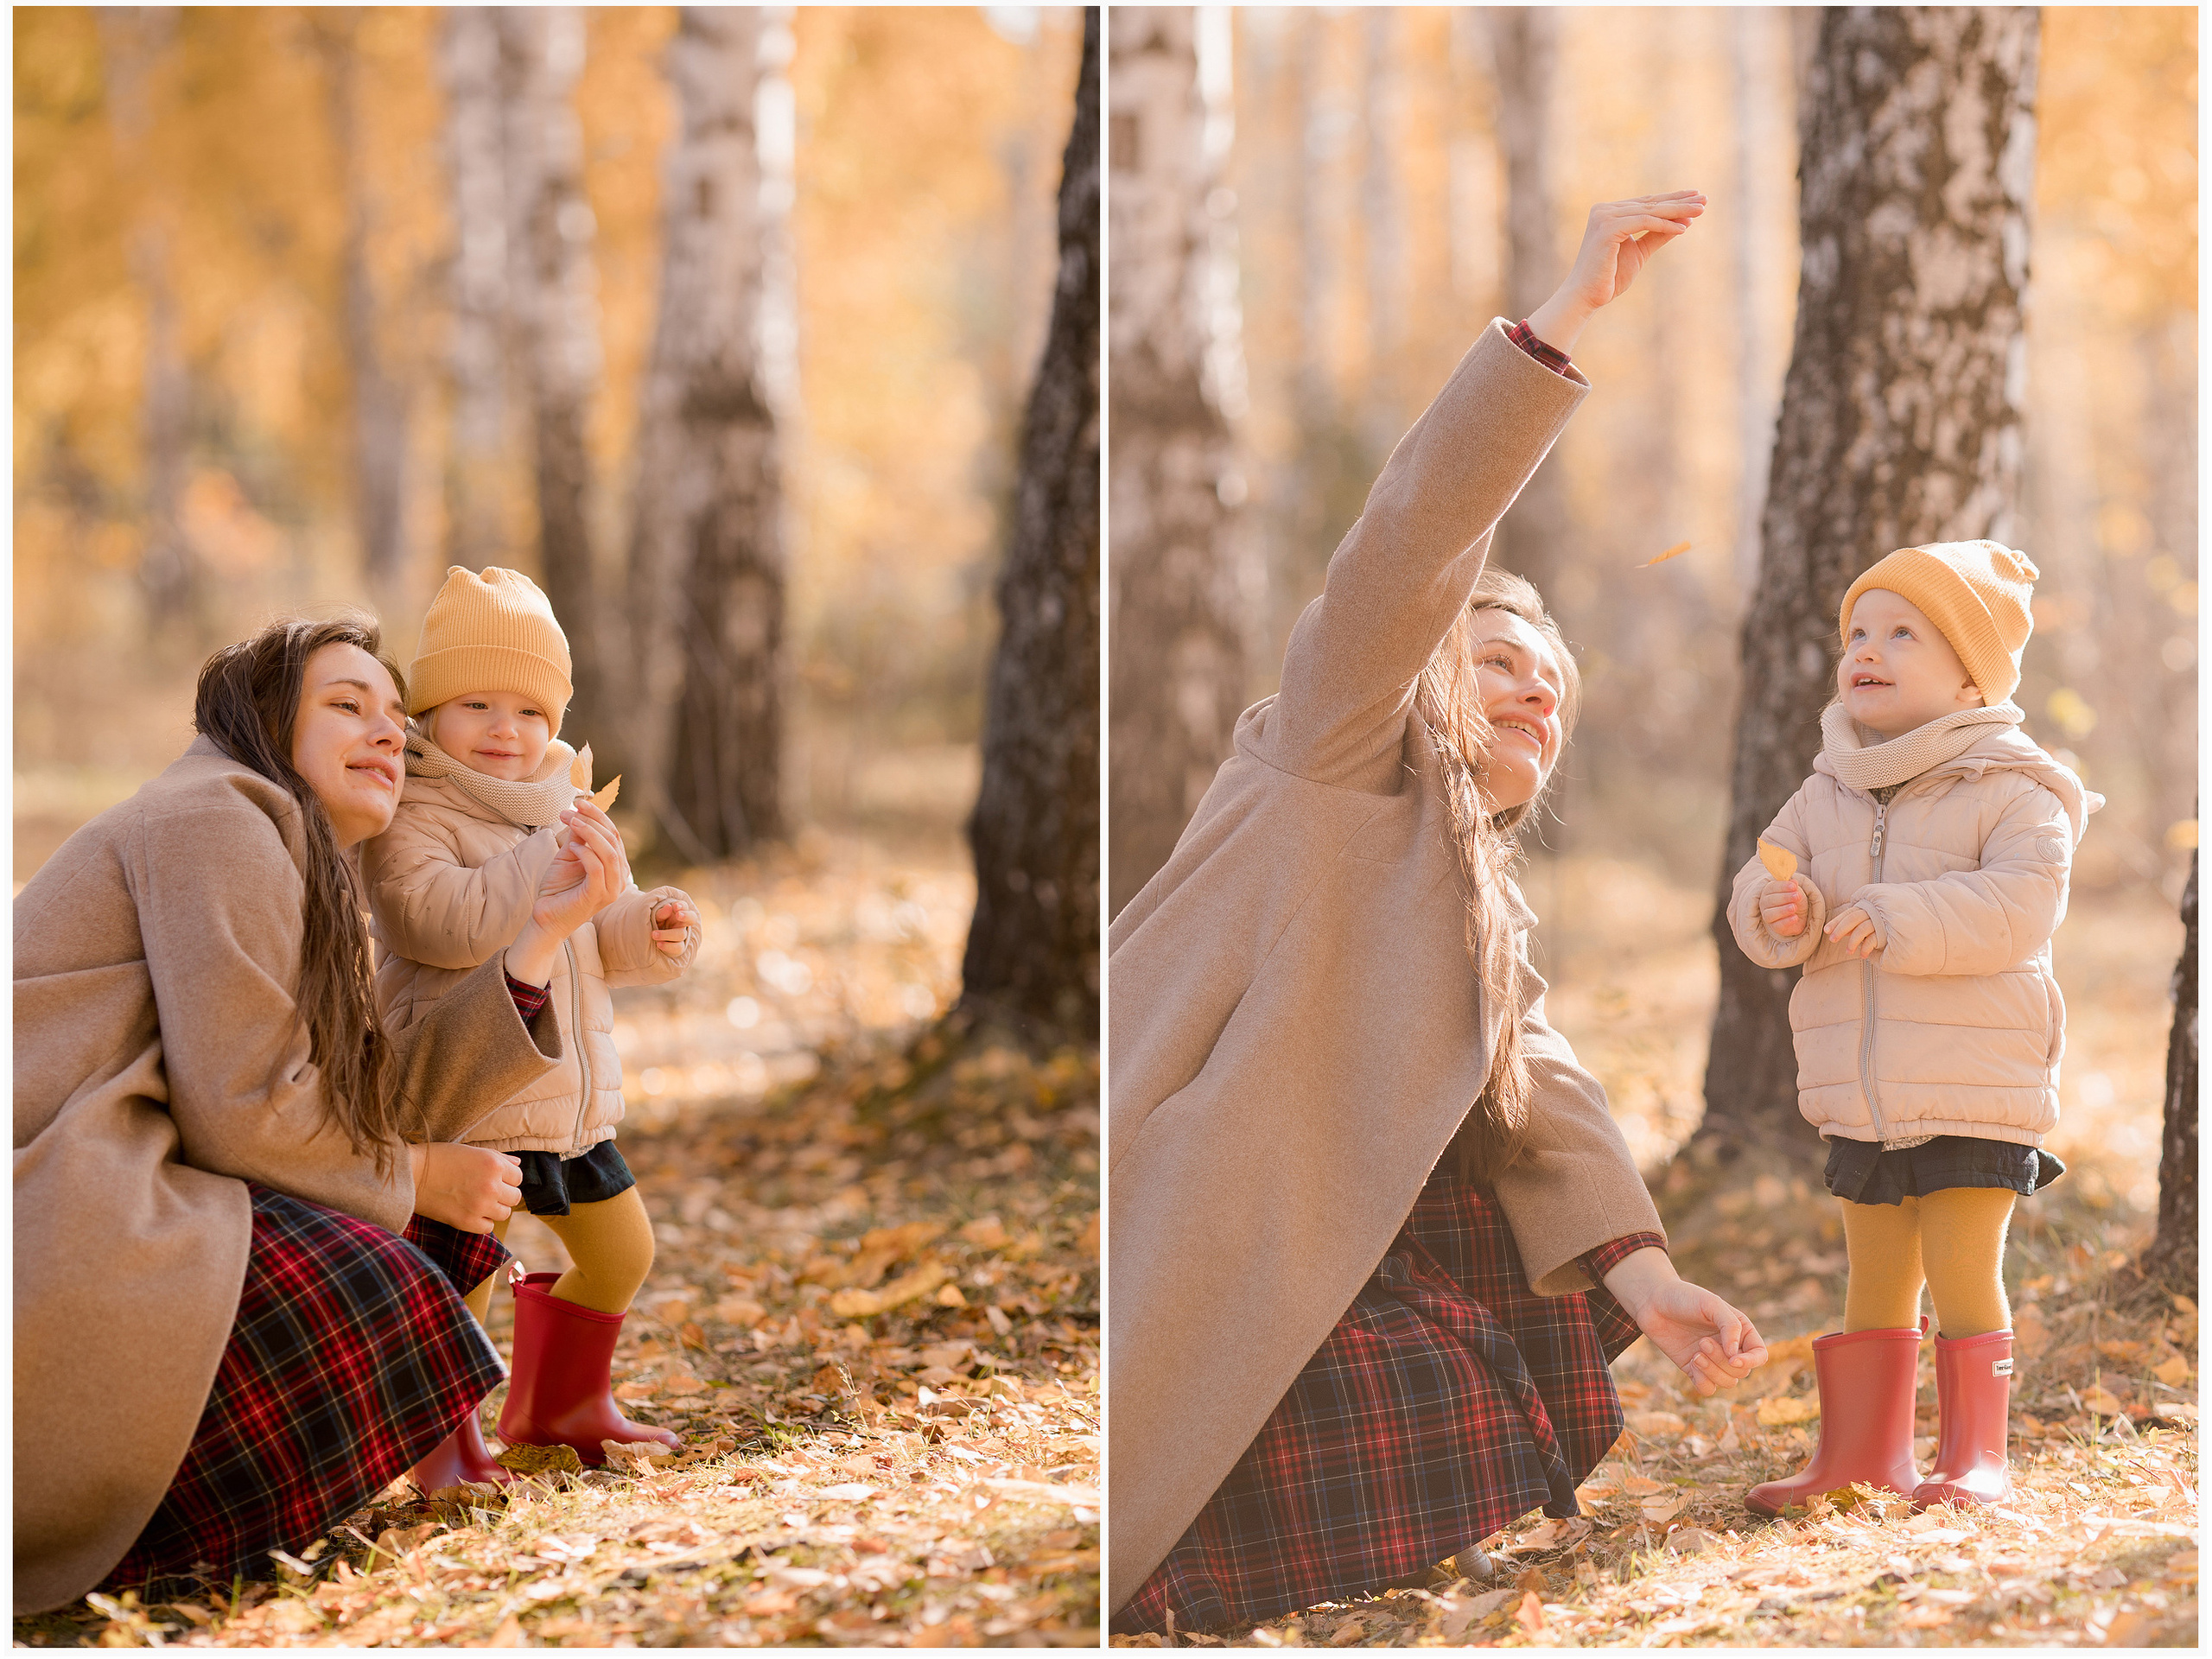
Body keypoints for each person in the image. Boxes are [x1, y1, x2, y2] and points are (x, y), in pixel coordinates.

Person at [1107, 194, 1766, 1634]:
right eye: (1504, 660)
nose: (1539, 691)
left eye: (1558, 688)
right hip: (1205, 1203)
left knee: (1479, 1364)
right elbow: (1409, 545)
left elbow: (1546, 1095)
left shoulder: (1467, 874)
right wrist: (1559, 326)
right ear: (1421, 674)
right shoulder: (1332, 743)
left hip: (1328, 1220)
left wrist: (1652, 1284)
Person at [14, 614, 629, 1614]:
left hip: (116, 1184)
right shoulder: (215, 812)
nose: (389, 732)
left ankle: (199, 1508)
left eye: (395, 715)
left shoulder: (305, 862)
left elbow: (369, 1110)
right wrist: (415, 1176)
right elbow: (245, 1110)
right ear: (263, 723)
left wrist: (538, 936)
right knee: (380, 1272)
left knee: (421, 1238)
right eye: (346, 707)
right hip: (54, 1201)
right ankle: (149, 1522)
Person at [1728, 542, 2095, 1514]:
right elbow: (1767, 880)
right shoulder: (1827, 786)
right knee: (1875, 1270)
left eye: (1901, 634)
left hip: (1976, 1081)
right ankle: (1861, 1454)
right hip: (1862, 1088)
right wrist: (1779, 913)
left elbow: (2020, 905)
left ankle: (1975, 1457)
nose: (1867, 651)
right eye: (1856, 632)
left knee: (1963, 1264)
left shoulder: (2017, 787)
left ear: (1971, 673)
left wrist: (1896, 915)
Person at [362, 565, 702, 1487]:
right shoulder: (411, 815)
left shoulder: (567, 805)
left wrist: (647, 924)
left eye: (528, 710)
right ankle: (440, 1442)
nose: (506, 731)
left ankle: (558, 1404)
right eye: (476, 703)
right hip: (469, 1096)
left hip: (565, 1101)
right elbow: (443, 923)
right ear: (430, 711)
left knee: (622, 1250)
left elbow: (599, 934)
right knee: (456, 1290)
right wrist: (545, 855)